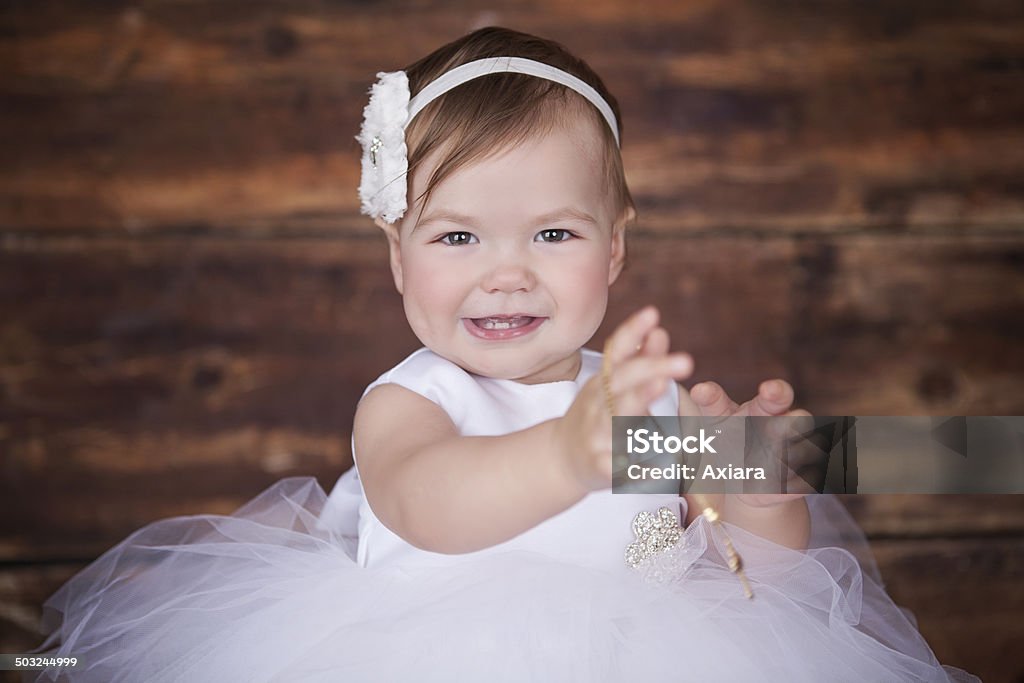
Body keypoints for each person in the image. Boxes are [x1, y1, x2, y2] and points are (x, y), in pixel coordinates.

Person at [29, 26, 978, 682]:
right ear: (396, 255)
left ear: (615, 246)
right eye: (457, 238)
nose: (508, 274)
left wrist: (763, 496)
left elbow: (761, 589)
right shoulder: (413, 402)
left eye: (554, 235)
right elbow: (433, 503)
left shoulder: (638, 405)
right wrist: (569, 454)